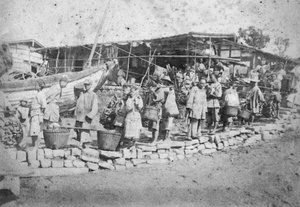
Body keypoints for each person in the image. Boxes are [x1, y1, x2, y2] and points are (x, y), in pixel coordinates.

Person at [148, 75, 174, 142]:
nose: (163, 82)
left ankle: (158, 139)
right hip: (162, 107)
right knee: (159, 123)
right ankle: (157, 138)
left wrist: (153, 92)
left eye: (165, 81)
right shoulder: (162, 88)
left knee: (159, 124)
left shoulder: (166, 89)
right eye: (163, 81)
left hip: (163, 107)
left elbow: (160, 98)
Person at [74, 78, 98, 146]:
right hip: (79, 115)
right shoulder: (81, 93)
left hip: (86, 116)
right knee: (78, 130)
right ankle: (78, 144)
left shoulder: (93, 95)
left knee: (84, 131)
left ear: (90, 85)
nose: (86, 86)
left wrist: (90, 115)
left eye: (88, 85)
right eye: (85, 85)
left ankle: (84, 144)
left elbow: (95, 107)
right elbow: (75, 87)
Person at [29, 80, 47, 149]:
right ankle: (34, 145)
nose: (35, 86)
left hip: (37, 114)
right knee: (34, 130)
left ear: (40, 87)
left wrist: (41, 114)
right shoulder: (38, 94)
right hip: (34, 113)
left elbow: (44, 105)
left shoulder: (40, 94)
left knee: (36, 130)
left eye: (36, 85)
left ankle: (36, 145)